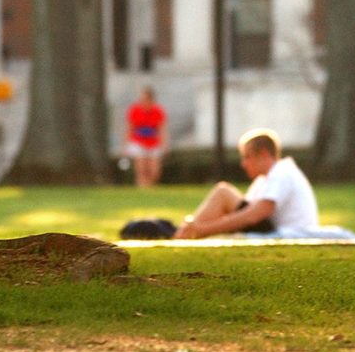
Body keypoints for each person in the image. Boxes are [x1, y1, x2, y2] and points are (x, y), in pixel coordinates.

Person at [174, 127, 319, 239]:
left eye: (247, 157)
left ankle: (182, 236)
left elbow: (253, 215)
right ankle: (183, 234)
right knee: (223, 194)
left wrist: (203, 229)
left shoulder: (282, 172)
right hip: (272, 228)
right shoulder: (264, 179)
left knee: (223, 192)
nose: (243, 164)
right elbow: (244, 213)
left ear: (263, 154)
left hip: (285, 232)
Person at [123, 86, 167, 188]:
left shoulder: (158, 111)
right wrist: (126, 145)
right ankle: (142, 187)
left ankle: (149, 186)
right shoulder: (134, 110)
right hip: (138, 142)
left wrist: (164, 145)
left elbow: (162, 130)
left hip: (153, 143)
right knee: (141, 168)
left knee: (154, 170)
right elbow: (129, 128)